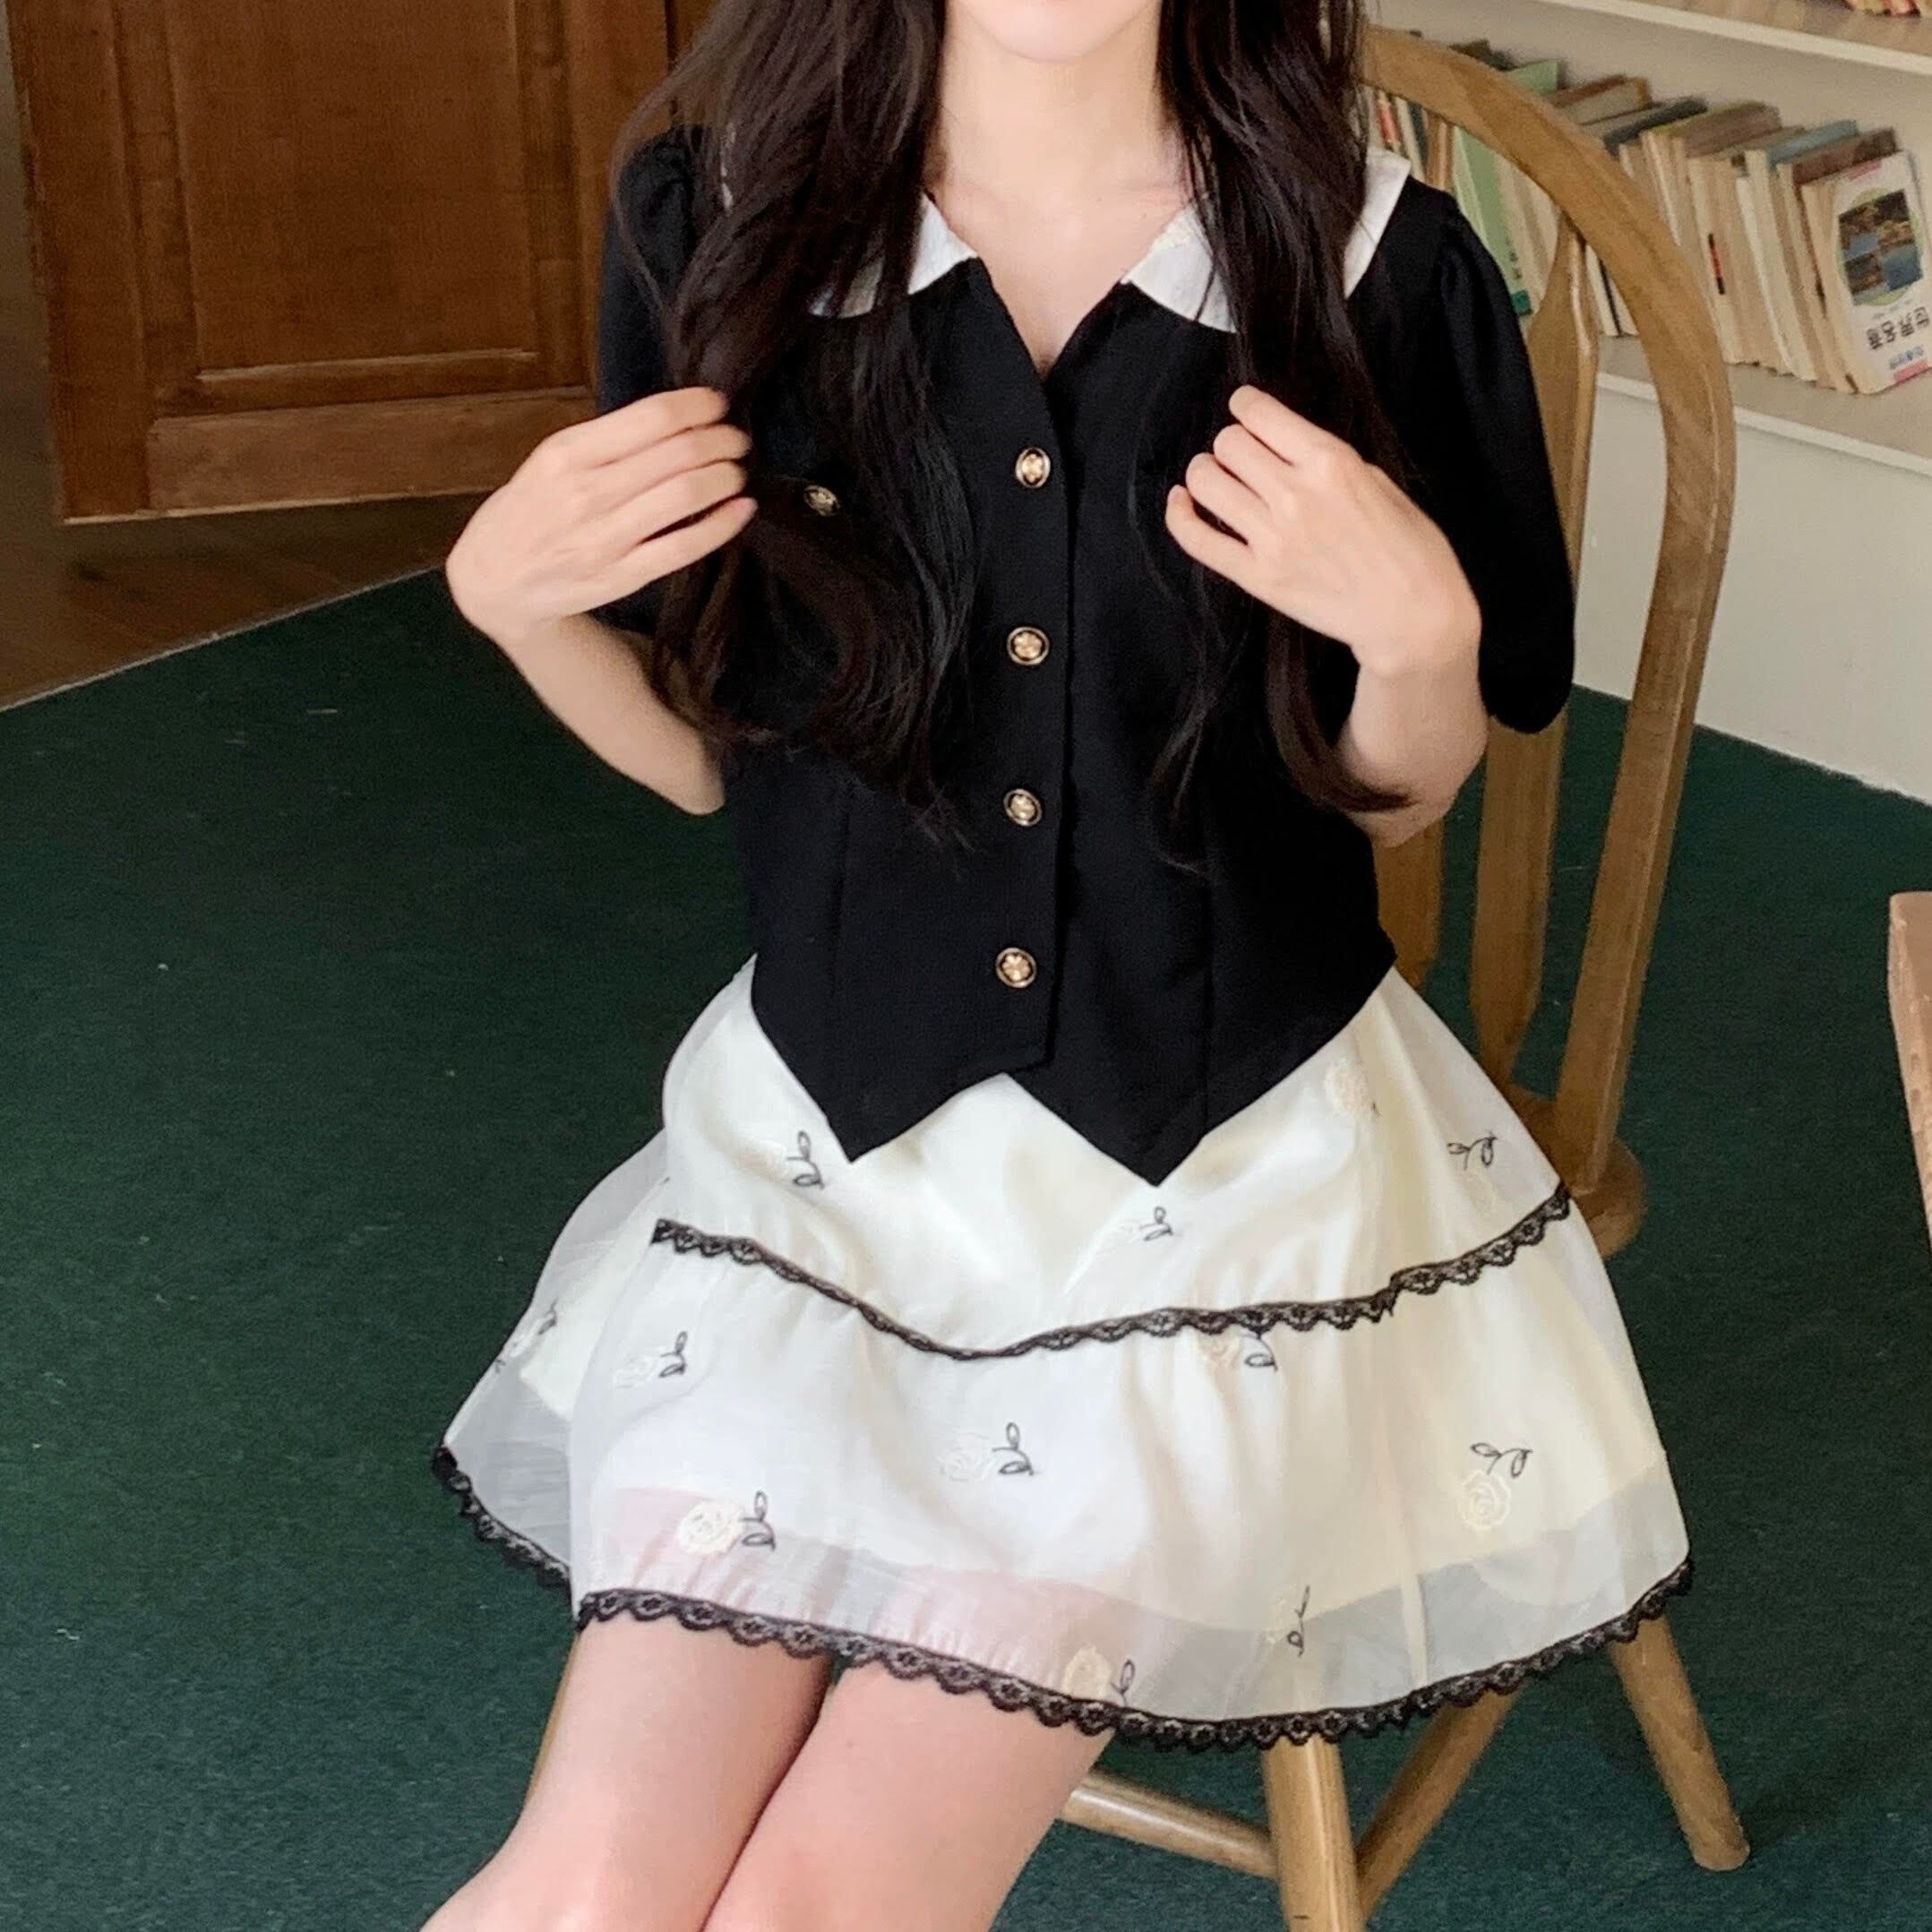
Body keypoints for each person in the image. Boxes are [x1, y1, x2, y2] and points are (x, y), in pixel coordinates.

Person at [425, 2, 1691, 1927]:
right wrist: (513, 606)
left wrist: (1418, 640)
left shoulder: (1375, 267)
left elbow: (1393, 800)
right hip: (815, 1182)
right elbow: (702, 757)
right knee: (588, 1874)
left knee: (825, 1894)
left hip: (1214, 1199)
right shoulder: (716, 220)